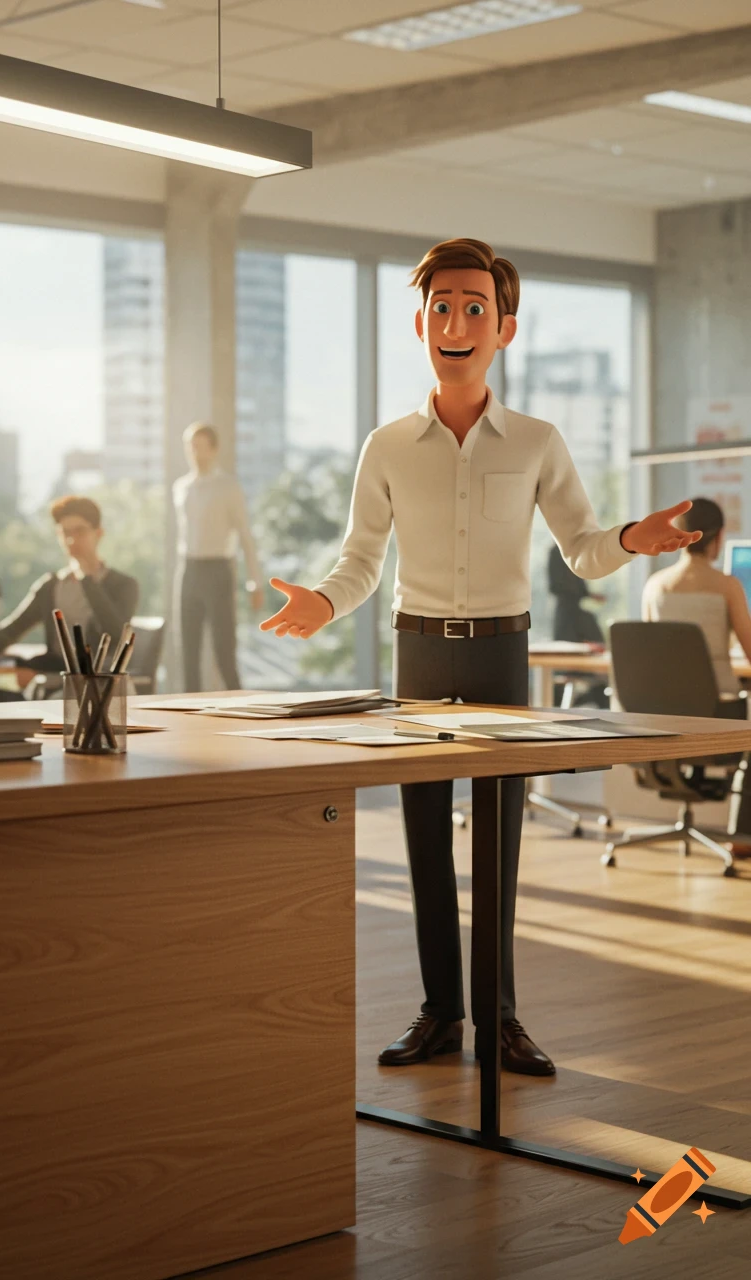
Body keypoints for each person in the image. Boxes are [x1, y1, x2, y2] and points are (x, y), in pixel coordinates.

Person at [260, 236, 701, 1077]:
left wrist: (630, 540)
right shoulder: (387, 446)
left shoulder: (536, 440)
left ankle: (500, 1020)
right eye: (441, 308)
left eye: (474, 309)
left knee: (499, 843)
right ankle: (440, 1016)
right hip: (420, 655)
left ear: (504, 328)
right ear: (419, 324)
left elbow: (581, 548)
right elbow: (361, 562)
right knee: (425, 841)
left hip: (502, 654)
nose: (456, 324)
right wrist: (322, 601)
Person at [0, 494, 138, 703]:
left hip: (97, 688)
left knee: (58, 699)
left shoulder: (124, 585)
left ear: (98, 533)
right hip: (51, 683)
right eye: (65, 532)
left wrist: (86, 577)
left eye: (80, 531)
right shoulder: (51, 586)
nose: (71, 539)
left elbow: (116, 632)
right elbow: (15, 626)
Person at [643, 496, 751, 848]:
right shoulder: (727, 586)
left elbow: (652, 660)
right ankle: (744, 836)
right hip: (716, 717)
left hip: (660, 719)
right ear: (717, 538)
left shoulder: (654, 586)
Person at [173, 422, 263, 693]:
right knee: (188, 651)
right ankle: (188, 709)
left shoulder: (228, 487)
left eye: (200, 446)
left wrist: (255, 582)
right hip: (189, 569)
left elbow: (245, 535)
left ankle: (241, 703)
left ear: (214, 449)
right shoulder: (181, 487)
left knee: (224, 650)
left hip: (218, 570)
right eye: (191, 446)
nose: (195, 453)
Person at [547, 543, 608, 707]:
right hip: (566, 612)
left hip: (573, 610)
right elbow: (556, 586)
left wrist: (588, 594)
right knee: (566, 667)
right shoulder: (556, 552)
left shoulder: (574, 551)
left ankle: (595, 696)